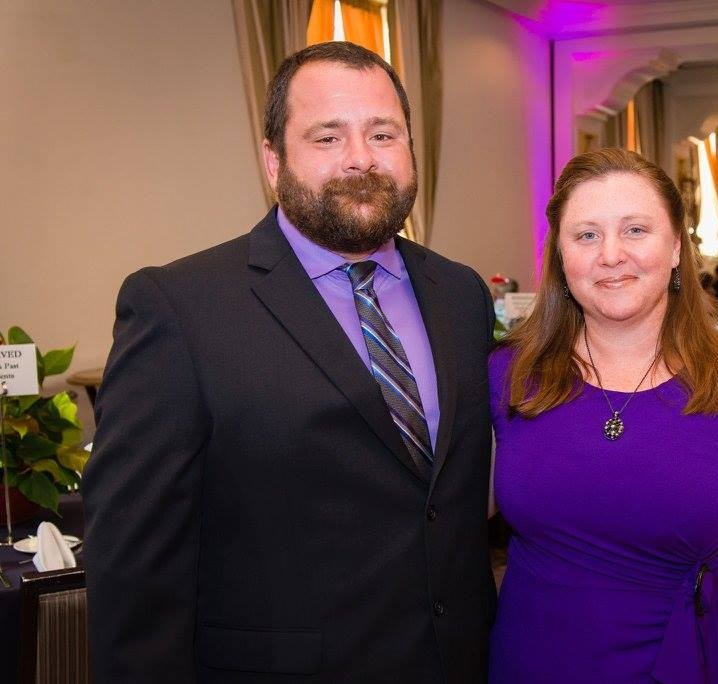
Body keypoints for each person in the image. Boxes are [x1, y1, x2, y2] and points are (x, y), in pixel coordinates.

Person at [83, 42, 496, 682]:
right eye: (327, 137)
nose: (361, 158)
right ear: (274, 162)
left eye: (382, 133)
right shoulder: (179, 306)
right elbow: (133, 567)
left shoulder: (463, 294)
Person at [488, 148, 718, 682]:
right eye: (586, 235)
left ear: (677, 249)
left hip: (681, 664)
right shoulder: (506, 378)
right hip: (528, 663)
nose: (611, 255)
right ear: (559, 256)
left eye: (636, 230)